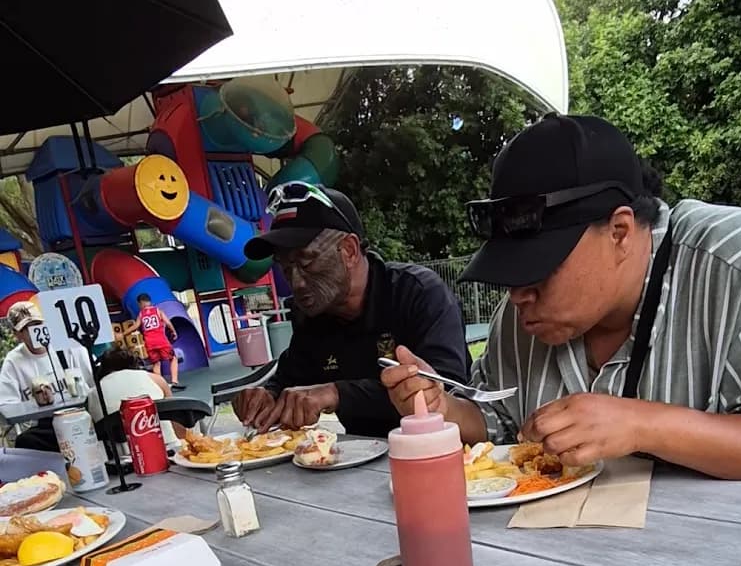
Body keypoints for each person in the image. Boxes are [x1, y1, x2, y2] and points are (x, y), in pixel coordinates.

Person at [382, 113, 741, 480]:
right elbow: (503, 427)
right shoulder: (522, 314)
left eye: (538, 267)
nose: (517, 295)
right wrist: (443, 410)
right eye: (509, 272)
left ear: (619, 232)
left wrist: (642, 424)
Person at [234, 185, 469, 438]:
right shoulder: (313, 316)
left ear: (349, 250)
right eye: (285, 266)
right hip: (360, 461)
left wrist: (335, 392)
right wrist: (266, 396)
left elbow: (446, 386)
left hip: (443, 453)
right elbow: (289, 379)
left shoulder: (418, 293)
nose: (297, 282)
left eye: (306, 261)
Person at [0, 300, 94, 451]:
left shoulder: (70, 346)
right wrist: (34, 403)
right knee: (26, 441)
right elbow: (6, 406)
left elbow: (95, 381)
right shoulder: (13, 361)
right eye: (26, 328)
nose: (34, 331)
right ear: (17, 335)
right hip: (48, 426)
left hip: (84, 416)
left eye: (37, 324)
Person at [87, 346, 183, 446]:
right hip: (168, 446)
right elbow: (177, 424)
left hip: (121, 458)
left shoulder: (92, 395)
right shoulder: (155, 379)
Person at [132, 293, 184, 390]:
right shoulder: (157, 311)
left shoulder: (141, 314)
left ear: (141, 303)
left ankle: (160, 385)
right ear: (149, 301)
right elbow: (168, 322)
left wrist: (123, 334)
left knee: (156, 363)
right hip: (161, 341)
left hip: (150, 343)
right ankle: (174, 381)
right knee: (173, 358)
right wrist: (174, 331)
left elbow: (135, 326)